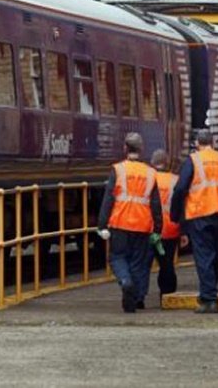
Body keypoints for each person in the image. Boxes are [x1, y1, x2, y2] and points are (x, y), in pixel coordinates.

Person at [170, 129, 218, 314]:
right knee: (215, 257)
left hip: (200, 214)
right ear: (214, 143)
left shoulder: (194, 160)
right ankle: (208, 294)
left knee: (204, 257)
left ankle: (209, 300)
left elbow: (180, 188)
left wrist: (176, 214)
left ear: (197, 144)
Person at [98, 132, 163, 313]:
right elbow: (156, 204)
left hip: (120, 223)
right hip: (142, 225)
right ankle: (135, 298)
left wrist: (102, 224)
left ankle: (125, 282)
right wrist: (158, 228)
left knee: (117, 258)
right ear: (141, 150)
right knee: (138, 262)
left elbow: (108, 199)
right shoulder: (150, 172)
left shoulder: (118, 170)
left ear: (125, 148)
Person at [149, 149, 187, 301]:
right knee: (167, 264)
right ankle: (168, 293)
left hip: (151, 230)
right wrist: (184, 231)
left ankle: (138, 297)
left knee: (143, 264)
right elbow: (182, 207)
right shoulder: (175, 180)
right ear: (167, 162)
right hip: (171, 229)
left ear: (153, 163)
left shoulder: (150, 180)